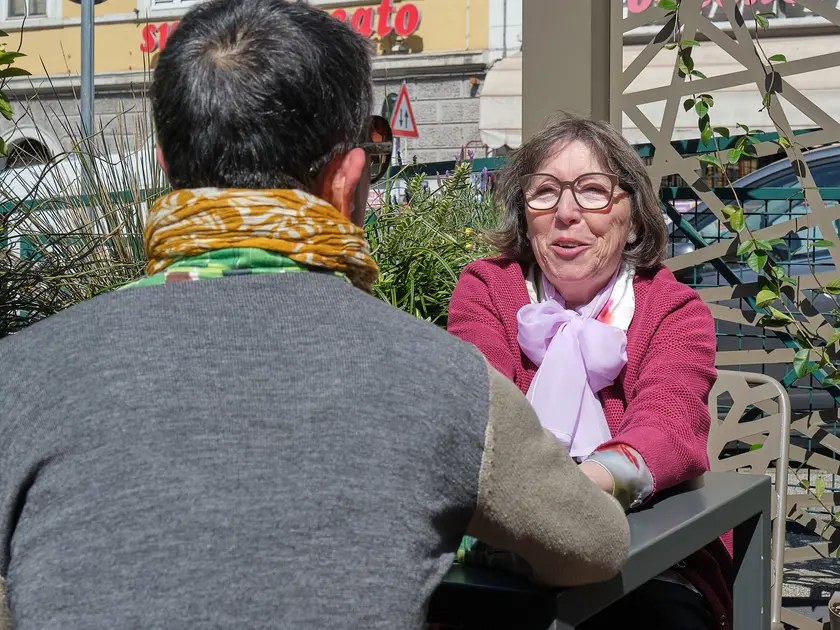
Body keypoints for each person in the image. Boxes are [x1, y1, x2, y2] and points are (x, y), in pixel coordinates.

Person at [0, 3, 631, 628]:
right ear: (346, 179)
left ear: (167, 167)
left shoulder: (21, 374)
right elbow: (595, 545)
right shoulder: (446, 383)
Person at [448, 115, 732, 630]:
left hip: (648, 553)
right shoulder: (488, 289)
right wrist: (535, 513)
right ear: (523, 213)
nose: (566, 213)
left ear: (635, 217)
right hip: (504, 546)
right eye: (545, 192)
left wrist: (575, 495)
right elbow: (479, 410)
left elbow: (669, 422)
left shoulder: (671, 308)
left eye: (593, 191)